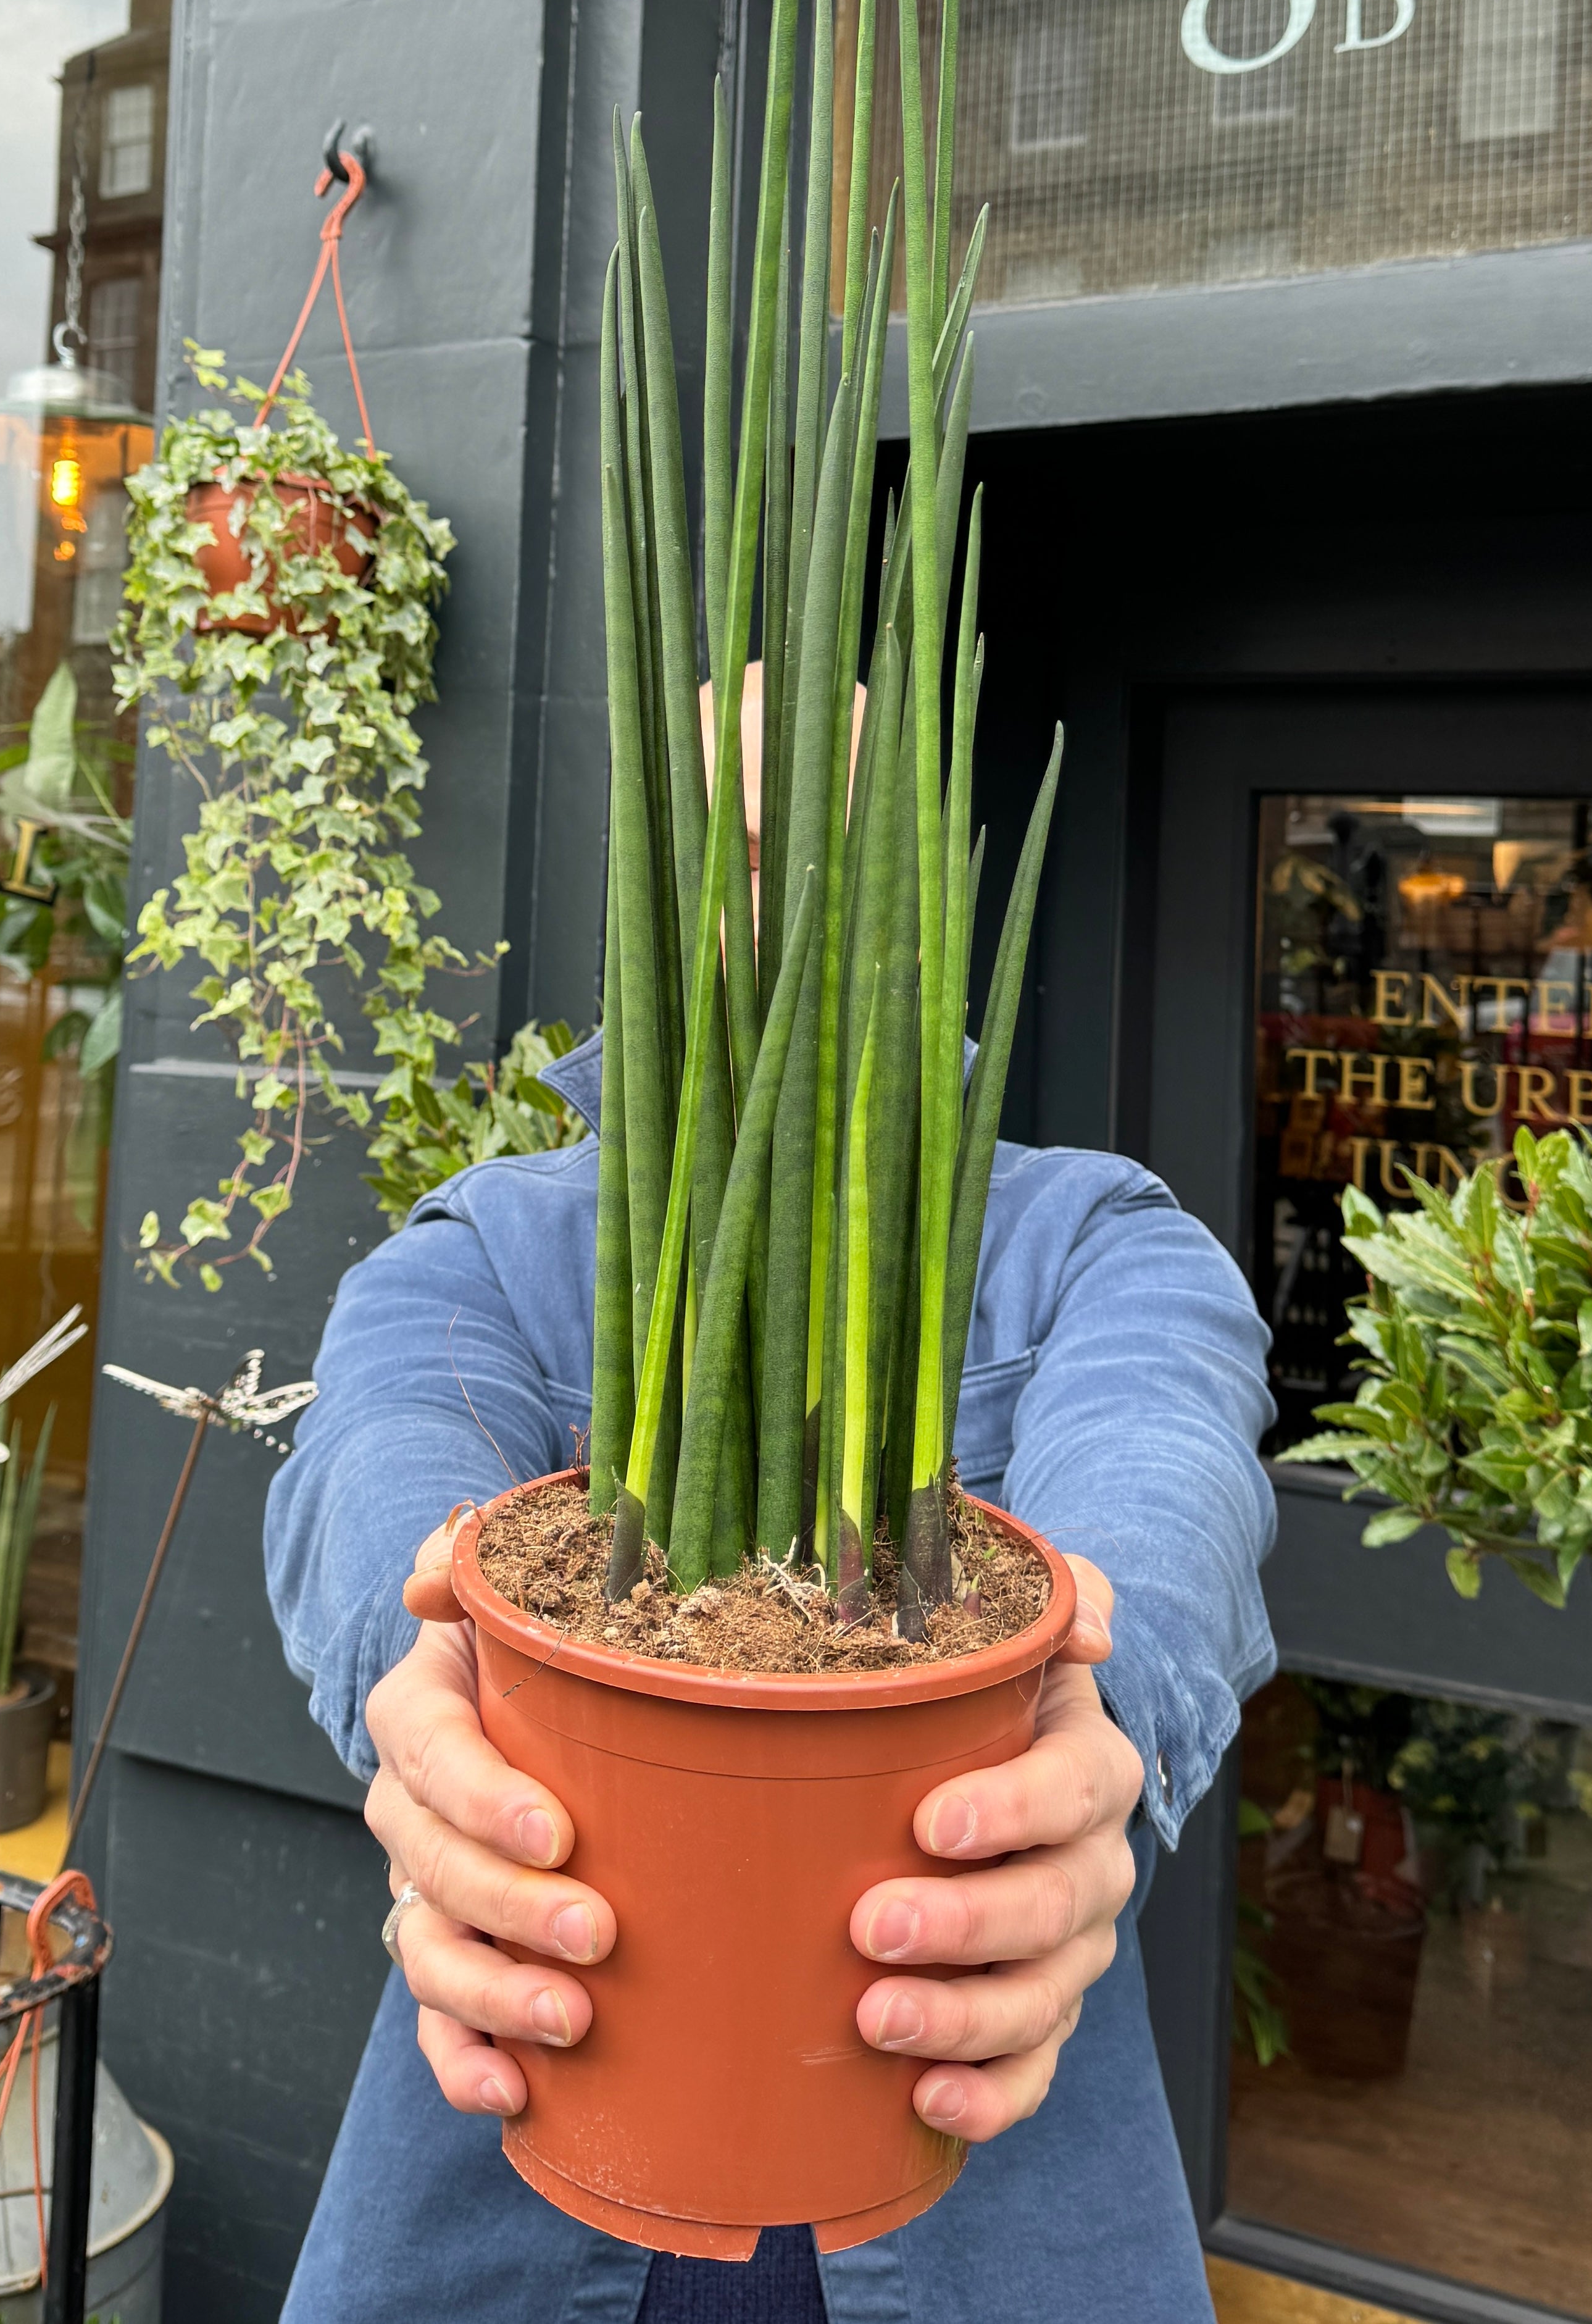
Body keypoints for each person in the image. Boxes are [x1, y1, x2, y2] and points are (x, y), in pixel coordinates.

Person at [264, 683, 1278, 2320]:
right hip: (525, 2167)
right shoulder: (491, 1245)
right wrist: (435, 1676)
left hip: (983, 2187)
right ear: (649, 887)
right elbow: (380, 1456)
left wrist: (1102, 1707)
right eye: (738, 850)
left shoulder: (1093, 1238)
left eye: (841, 846)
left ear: (925, 889)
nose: (792, 904)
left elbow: (1164, 1465)